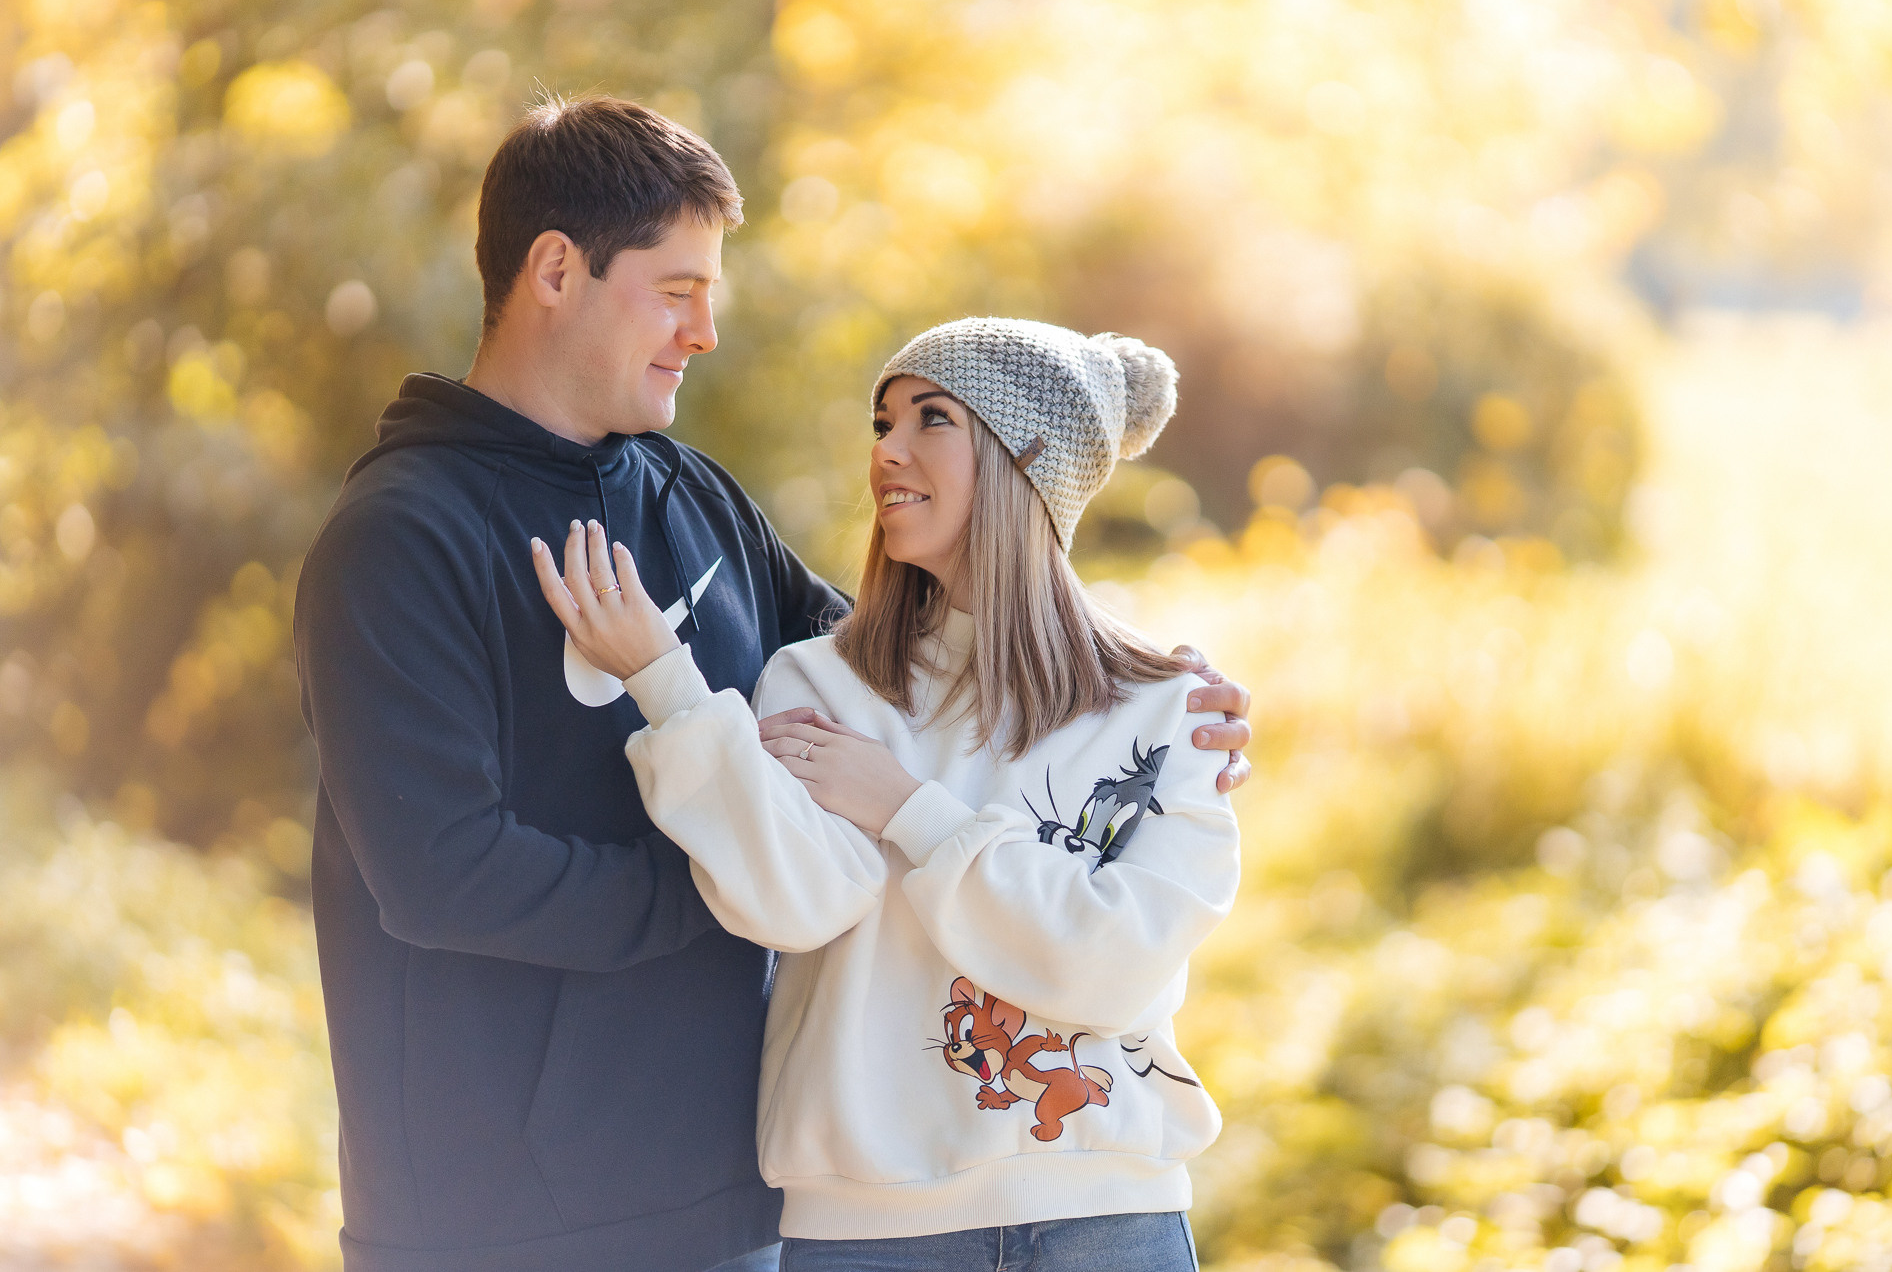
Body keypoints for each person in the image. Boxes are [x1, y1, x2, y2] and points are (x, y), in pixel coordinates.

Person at [293, 96, 1254, 1272]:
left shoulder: (688, 496)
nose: (704, 331)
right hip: (493, 1219)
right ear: (555, 270)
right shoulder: (402, 534)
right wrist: (728, 886)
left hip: (734, 1201)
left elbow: (911, 664)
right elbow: (443, 876)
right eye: (676, 288)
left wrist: (1137, 685)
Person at [533, 317, 1237, 1270]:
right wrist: (668, 683)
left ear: (1027, 458)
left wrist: (907, 806)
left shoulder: (1168, 710)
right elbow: (795, 901)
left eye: (931, 418)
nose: (886, 452)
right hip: (869, 1235)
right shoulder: (821, 684)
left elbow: (1114, 970)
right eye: (882, 421)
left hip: (1109, 1220)